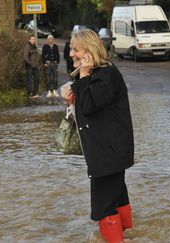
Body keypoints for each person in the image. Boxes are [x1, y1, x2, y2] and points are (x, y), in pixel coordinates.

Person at [61, 29, 134, 242]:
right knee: (118, 197)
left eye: (76, 50)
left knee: (103, 208)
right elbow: (89, 108)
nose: (71, 54)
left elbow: (91, 105)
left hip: (108, 154)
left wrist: (82, 76)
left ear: (89, 51)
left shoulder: (106, 74)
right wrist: (72, 100)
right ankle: (129, 235)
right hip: (110, 152)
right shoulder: (99, 74)